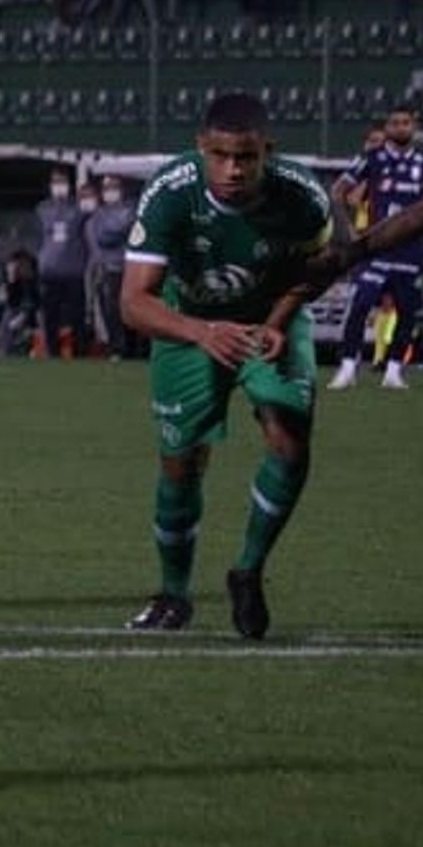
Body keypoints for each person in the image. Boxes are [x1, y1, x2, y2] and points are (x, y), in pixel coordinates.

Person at [120, 93, 334, 639]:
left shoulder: (302, 197)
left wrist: (280, 320)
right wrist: (201, 332)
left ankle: (248, 570)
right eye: (220, 156)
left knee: (288, 438)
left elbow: (322, 267)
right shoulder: (170, 193)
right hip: (190, 326)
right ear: (201, 148)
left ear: (267, 151)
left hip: (269, 319)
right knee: (181, 464)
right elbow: (134, 302)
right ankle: (173, 594)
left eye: (246, 157)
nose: (233, 169)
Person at [326, 105, 423, 390]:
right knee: (360, 306)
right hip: (377, 246)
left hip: (411, 249)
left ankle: (393, 371)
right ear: (388, 128)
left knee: (407, 310)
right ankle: (347, 367)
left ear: (414, 126)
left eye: (406, 122)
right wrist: (349, 230)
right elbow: (338, 190)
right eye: (395, 123)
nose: (401, 127)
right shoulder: (372, 159)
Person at [83, 175, 135, 358]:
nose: (110, 191)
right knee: (109, 310)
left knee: (131, 310)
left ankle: (133, 348)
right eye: (106, 187)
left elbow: (124, 228)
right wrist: (116, 232)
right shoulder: (99, 214)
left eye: (113, 186)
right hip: (108, 268)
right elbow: (103, 237)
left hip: (128, 269)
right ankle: (116, 348)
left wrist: (114, 232)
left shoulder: (130, 209)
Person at [37, 169, 87, 357]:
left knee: (77, 316)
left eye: (63, 182)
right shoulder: (42, 209)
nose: (59, 186)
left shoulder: (79, 209)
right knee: (51, 316)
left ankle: (80, 352)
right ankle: (53, 352)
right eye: (55, 182)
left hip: (73, 270)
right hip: (50, 271)